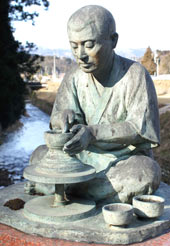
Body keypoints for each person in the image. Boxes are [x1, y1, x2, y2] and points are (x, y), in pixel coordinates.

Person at [30, 5, 161, 203]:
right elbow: (59, 123)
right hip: (82, 158)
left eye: (89, 45)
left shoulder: (135, 74)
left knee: (145, 172)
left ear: (113, 40)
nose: (80, 54)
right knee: (38, 155)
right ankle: (92, 190)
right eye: (74, 46)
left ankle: (62, 187)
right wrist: (62, 119)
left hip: (122, 160)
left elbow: (139, 128)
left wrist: (92, 133)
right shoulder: (73, 76)